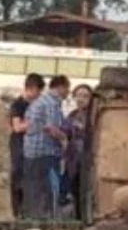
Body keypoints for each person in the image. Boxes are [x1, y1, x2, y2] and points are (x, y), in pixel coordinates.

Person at [22, 75, 71, 219]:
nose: (68, 92)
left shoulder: (39, 101)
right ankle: (44, 219)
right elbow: (50, 128)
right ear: (60, 87)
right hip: (45, 152)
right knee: (46, 189)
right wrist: (64, 138)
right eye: (67, 88)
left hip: (31, 151)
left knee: (33, 188)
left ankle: (32, 217)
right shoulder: (51, 103)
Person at [8, 73, 46, 218]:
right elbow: (17, 127)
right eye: (37, 91)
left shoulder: (36, 106)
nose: (39, 95)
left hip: (34, 146)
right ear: (30, 88)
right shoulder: (18, 105)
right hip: (19, 144)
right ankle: (17, 212)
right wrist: (34, 123)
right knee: (18, 176)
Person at [62, 83, 94, 217]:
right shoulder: (72, 116)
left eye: (85, 96)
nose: (81, 99)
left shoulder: (94, 116)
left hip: (89, 159)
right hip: (73, 159)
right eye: (78, 96)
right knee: (74, 189)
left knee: (87, 190)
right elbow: (65, 134)